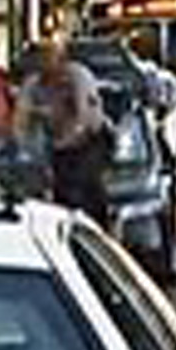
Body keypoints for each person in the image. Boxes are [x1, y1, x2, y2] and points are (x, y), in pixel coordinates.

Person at [14, 37, 111, 225]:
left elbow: (81, 116)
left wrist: (64, 141)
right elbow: (22, 116)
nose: (41, 66)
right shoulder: (34, 83)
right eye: (37, 61)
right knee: (60, 188)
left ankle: (98, 225)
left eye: (45, 59)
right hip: (57, 140)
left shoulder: (78, 76)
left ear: (58, 59)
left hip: (90, 140)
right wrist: (22, 147)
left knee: (84, 184)